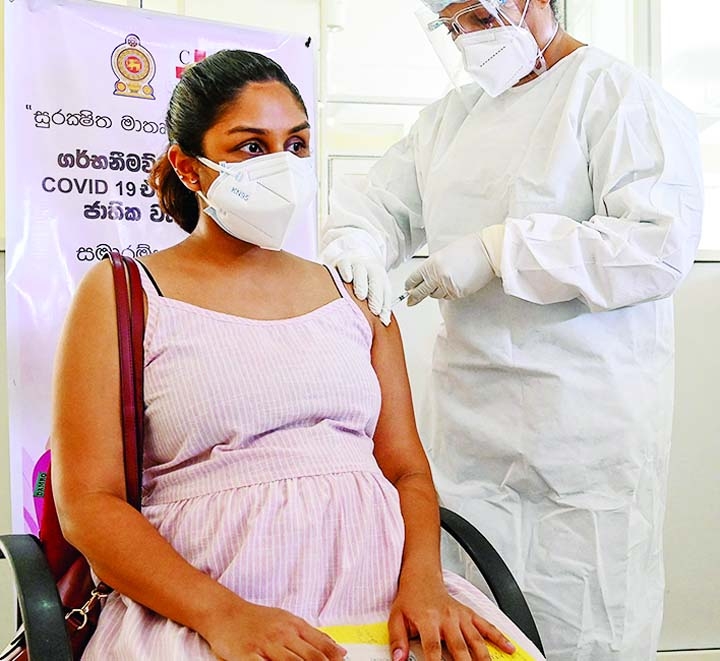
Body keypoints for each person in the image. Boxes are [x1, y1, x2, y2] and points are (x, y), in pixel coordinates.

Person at [51, 49, 545, 661]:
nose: (281, 165)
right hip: (206, 613)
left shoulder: (353, 292)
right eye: (251, 146)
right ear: (188, 166)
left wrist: (424, 583)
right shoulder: (124, 293)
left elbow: (407, 471)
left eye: (297, 143)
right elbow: (89, 504)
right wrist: (223, 615)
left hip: (390, 602)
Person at [319, 2, 705, 660]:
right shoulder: (449, 121)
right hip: (470, 436)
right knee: (476, 624)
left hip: (583, 442)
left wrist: (502, 250)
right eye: (451, 25)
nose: (465, 39)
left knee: (585, 628)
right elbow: (378, 202)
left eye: (476, 16)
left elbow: (655, 246)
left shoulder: (616, 97)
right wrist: (355, 240)